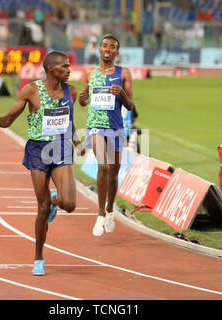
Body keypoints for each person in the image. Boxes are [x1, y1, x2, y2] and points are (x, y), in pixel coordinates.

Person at [0, 51, 84, 276]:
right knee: (42, 207)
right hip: (38, 150)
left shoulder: (71, 92)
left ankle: (56, 201)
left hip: (60, 148)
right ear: (50, 69)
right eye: (64, 67)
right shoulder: (31, 90)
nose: (69, 70)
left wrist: (77, 143)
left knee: (70, 203)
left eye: (69, 66)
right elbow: (9, 120)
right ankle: (38, 257)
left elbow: (69, 122)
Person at [78, 34, 134, 236]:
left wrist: (121, 93)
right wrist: (82, 99)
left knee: (113, 173)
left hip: (116, 127)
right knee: (102, 166)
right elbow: (84, 102)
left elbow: (130, 105)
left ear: (117, 52)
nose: (107, 49)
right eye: (104, 45)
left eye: (112, 46)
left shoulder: (124, 73)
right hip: (95, 126)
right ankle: (100, 213)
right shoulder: (90, 73)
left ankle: (111, 209)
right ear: (99, 49)